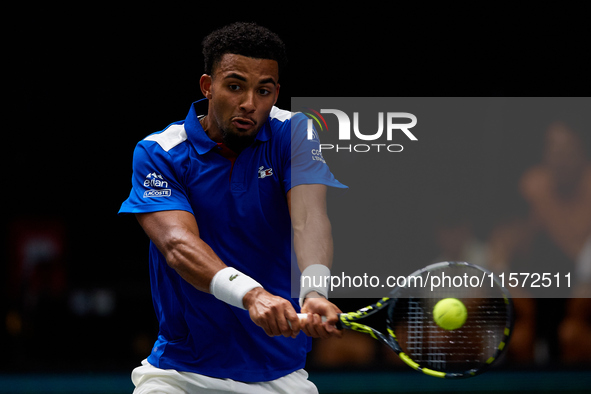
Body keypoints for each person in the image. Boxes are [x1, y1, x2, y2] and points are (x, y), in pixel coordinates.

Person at [119, 22, 347, 393]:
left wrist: (315, 292)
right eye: (235, 86)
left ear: (277, 93)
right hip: (180, 375)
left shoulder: (295, 132)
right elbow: (178, 245)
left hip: (281, 376)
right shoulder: (160, 151)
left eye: (264, 91)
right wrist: (252, 295)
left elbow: (309, 219)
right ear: (208, 86)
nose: (249, 104)